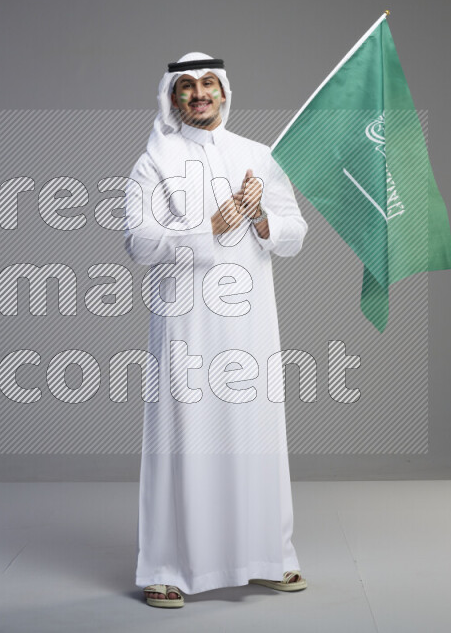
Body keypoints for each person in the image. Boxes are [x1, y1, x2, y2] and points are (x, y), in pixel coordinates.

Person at [123, 52, 309, 608]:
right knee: (183, 435)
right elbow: (137, 243)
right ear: (172, 97)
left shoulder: (257, 157)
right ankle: (166, 567)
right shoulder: (152, 162)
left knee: (255, 433)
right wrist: (211, 226)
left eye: (208, 84)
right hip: (184, 324)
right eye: (187, 87)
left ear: (224, 92)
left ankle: (269, 557)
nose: (199, 93)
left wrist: (258, 217)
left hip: (250, 324)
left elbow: (295, 233)